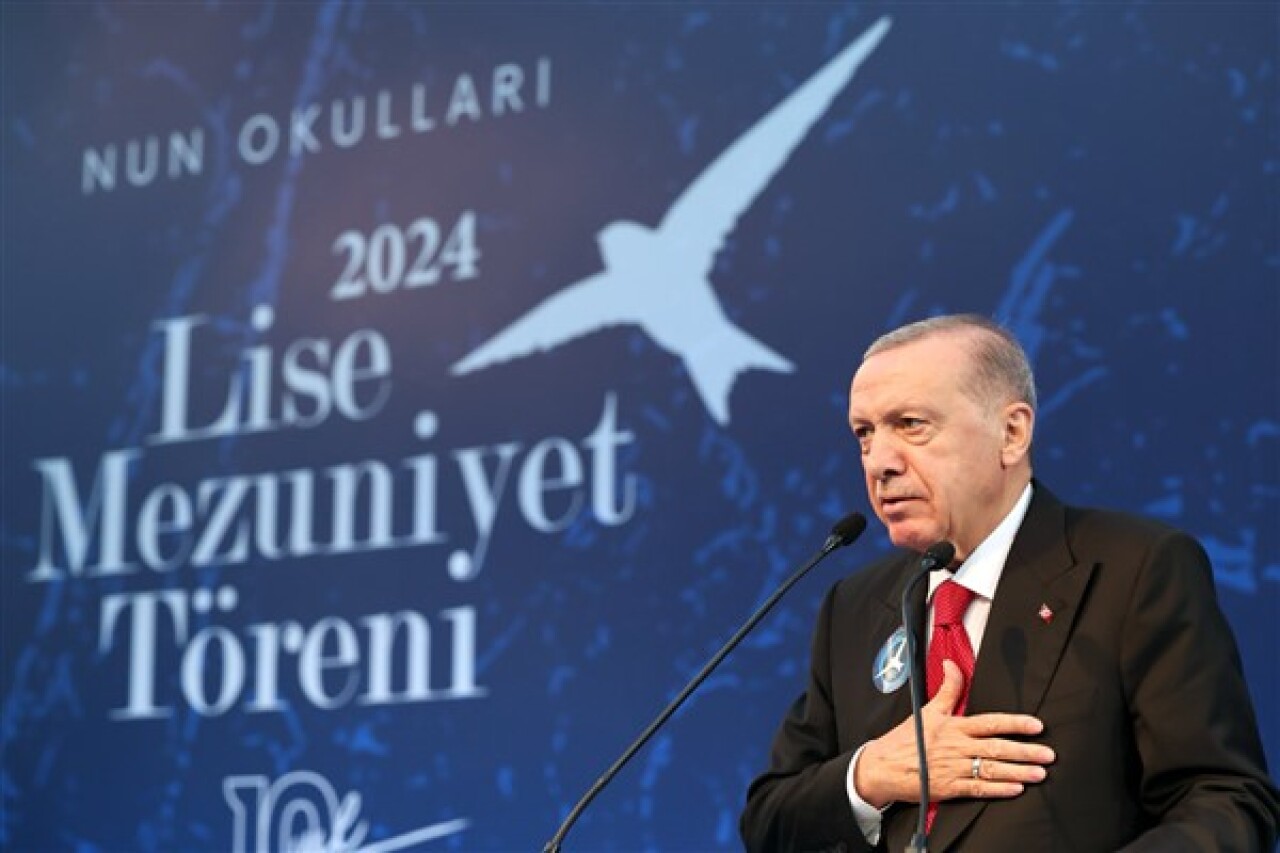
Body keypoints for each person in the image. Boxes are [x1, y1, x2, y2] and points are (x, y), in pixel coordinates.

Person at [740, 314, 1278, 851]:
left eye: (911, 424)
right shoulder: (855, 606)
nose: (879, 462)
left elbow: (1225, 802)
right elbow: (769, 821)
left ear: (1012, 433)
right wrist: (868, 775)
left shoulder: (1135, 570)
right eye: (864, 434)